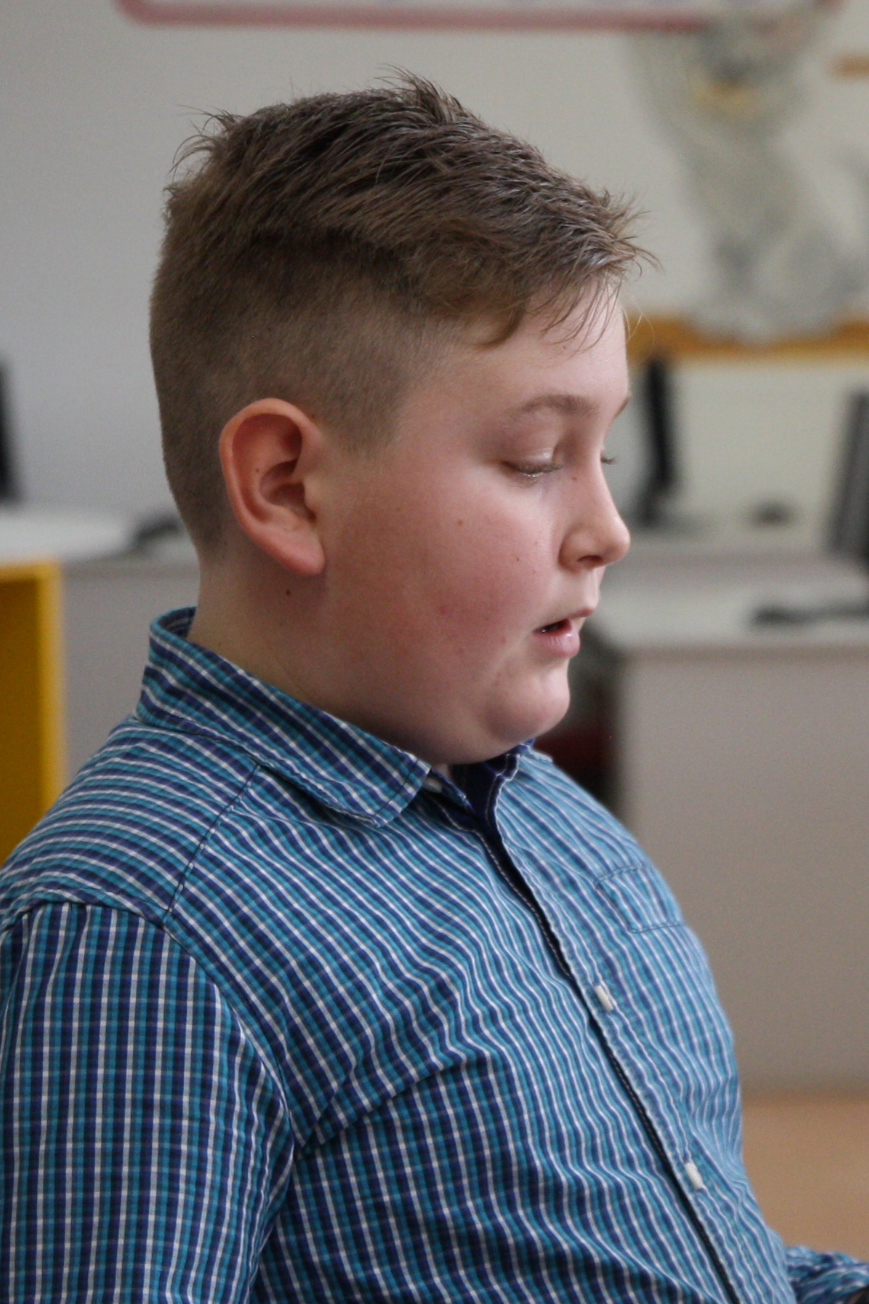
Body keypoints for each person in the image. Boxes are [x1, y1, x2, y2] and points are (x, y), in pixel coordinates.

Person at [0, 76, 866, 1304]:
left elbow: (694, 1261)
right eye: (534, 457)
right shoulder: (145, 931)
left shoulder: (552, 824)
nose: (607, 528)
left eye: (605, 451)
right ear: (289, 486)